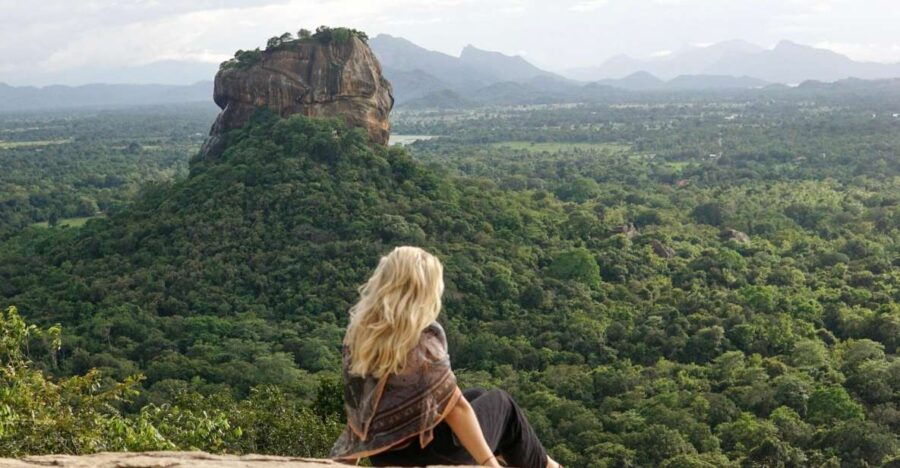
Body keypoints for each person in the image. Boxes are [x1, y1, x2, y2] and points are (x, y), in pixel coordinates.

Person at [330, 246, 560, 467]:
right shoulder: (424, 337)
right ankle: (547, 466)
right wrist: (490, 464)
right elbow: (456, 408)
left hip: (384, 454)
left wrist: (348, 458)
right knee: (502, 403)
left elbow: (361, 406)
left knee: (478, 395)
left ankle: (544, 463)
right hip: (431, 452)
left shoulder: (358, 333)